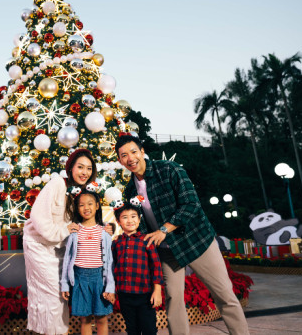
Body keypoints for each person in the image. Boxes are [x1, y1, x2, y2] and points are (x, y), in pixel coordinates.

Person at [115, 135, 249, 335]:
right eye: (124, 155)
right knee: (173, 300)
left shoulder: (169, 169)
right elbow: (137, 224)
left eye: (134, 152)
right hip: (166, 250)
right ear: (120, 161)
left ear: (142, 152)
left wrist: (164, 229)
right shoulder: (130, 190)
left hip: (196, 241)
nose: (130, 158)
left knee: (224, 295)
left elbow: (191, 204)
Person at [23, 148, 97, 335]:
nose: (84, 172)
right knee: (53, 296)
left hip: (60, 249)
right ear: (71, 167)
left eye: (88, 168)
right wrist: (63, 231)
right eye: (80, 167)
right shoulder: (57, 183)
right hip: (38, 245)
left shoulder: (82, 192)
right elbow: (38, 217)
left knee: (59, 296)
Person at [60, 187, 115, 335]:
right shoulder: (74, 231)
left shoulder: (104, 231)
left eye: (90, 204)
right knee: (85, 319)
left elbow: (109, 262)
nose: (86, 208)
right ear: (77, 208)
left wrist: (110, 286)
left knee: (102, 318)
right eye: (81, 204)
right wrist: (65, 284)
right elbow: (67, 259)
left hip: (99, 278)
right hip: (80, 278)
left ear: (97, 206)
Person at [111, 200, 163, 335]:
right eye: (125, 217)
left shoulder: (146, 240)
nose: (130, 220)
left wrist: (157, 290)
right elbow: (113, 265)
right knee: (131, 329)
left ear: (139, 220)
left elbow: (156, 265)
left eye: (133, 216)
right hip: (124, 294)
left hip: (144, 294)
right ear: (118, 222)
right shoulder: (116, 242)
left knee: (149, 329)